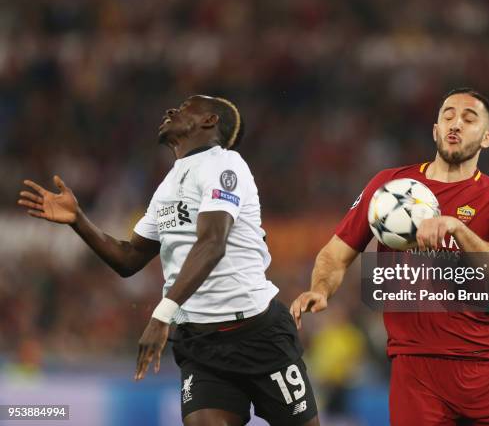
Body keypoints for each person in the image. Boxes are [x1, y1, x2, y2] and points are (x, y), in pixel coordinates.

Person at [18, 95, 319, 426]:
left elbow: (212, 243)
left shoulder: (226, 165)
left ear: (209, 121)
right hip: (201, 346)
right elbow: (128, 258)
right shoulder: (169, 184)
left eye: (187, 106)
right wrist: (79, 220)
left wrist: (162, 315)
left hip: (257, 334)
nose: (172, 110)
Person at [290, 88, 489, 425]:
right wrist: (320, 289)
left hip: (484, 363)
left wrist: (457, 229)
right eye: (448, 116)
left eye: (468, 118)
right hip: (414, 372)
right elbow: (335, 254)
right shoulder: (389, 188)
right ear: (435, 130)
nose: (455, 124)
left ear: (487, 138)